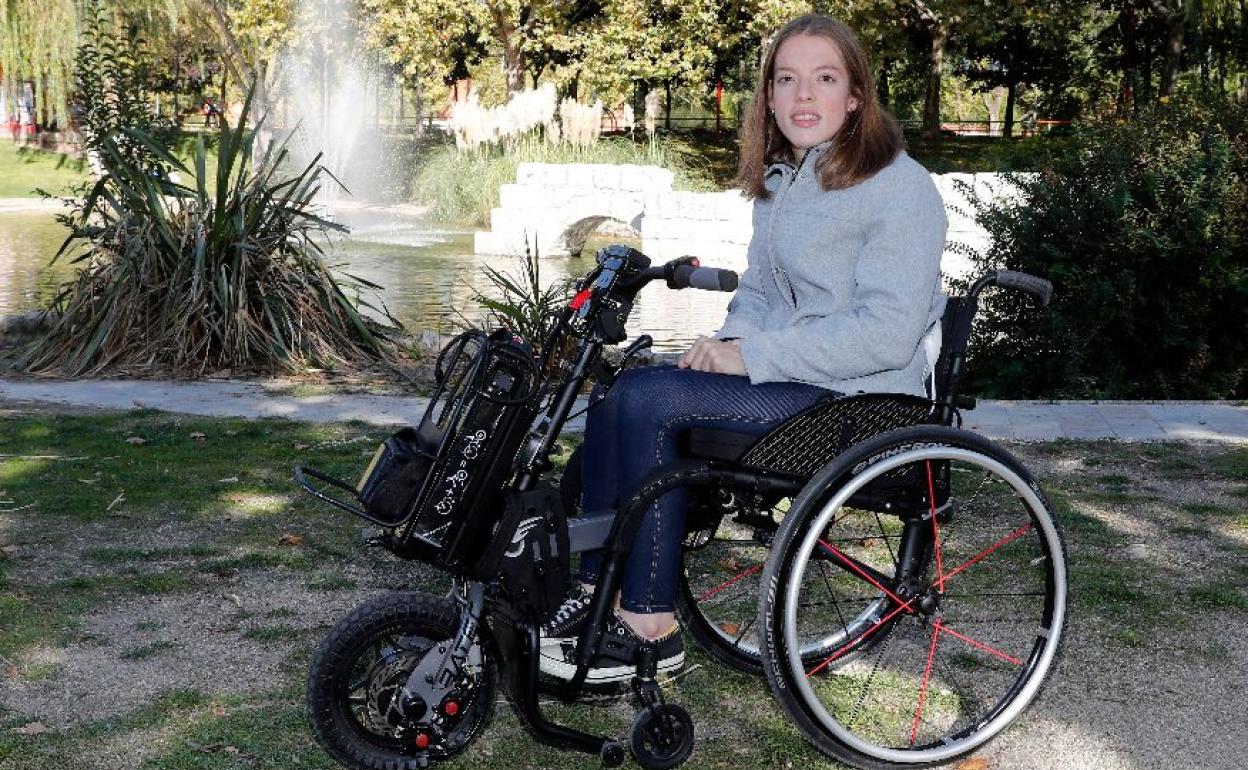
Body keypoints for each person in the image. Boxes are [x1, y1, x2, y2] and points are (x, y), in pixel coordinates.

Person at [539, 13, 948, 684]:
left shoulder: (899, 188)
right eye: (786, 80)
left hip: (863, 397)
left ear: (855, 96)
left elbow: (886, 332)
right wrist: (728, 340)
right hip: (799, 382)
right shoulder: (789, 180)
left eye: (823, 79)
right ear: (768, 96)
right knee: (619, 391)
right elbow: (759, 293)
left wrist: (754, 358)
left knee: (647, 402)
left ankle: (648, 624)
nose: (803, 97)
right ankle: (594, 593)